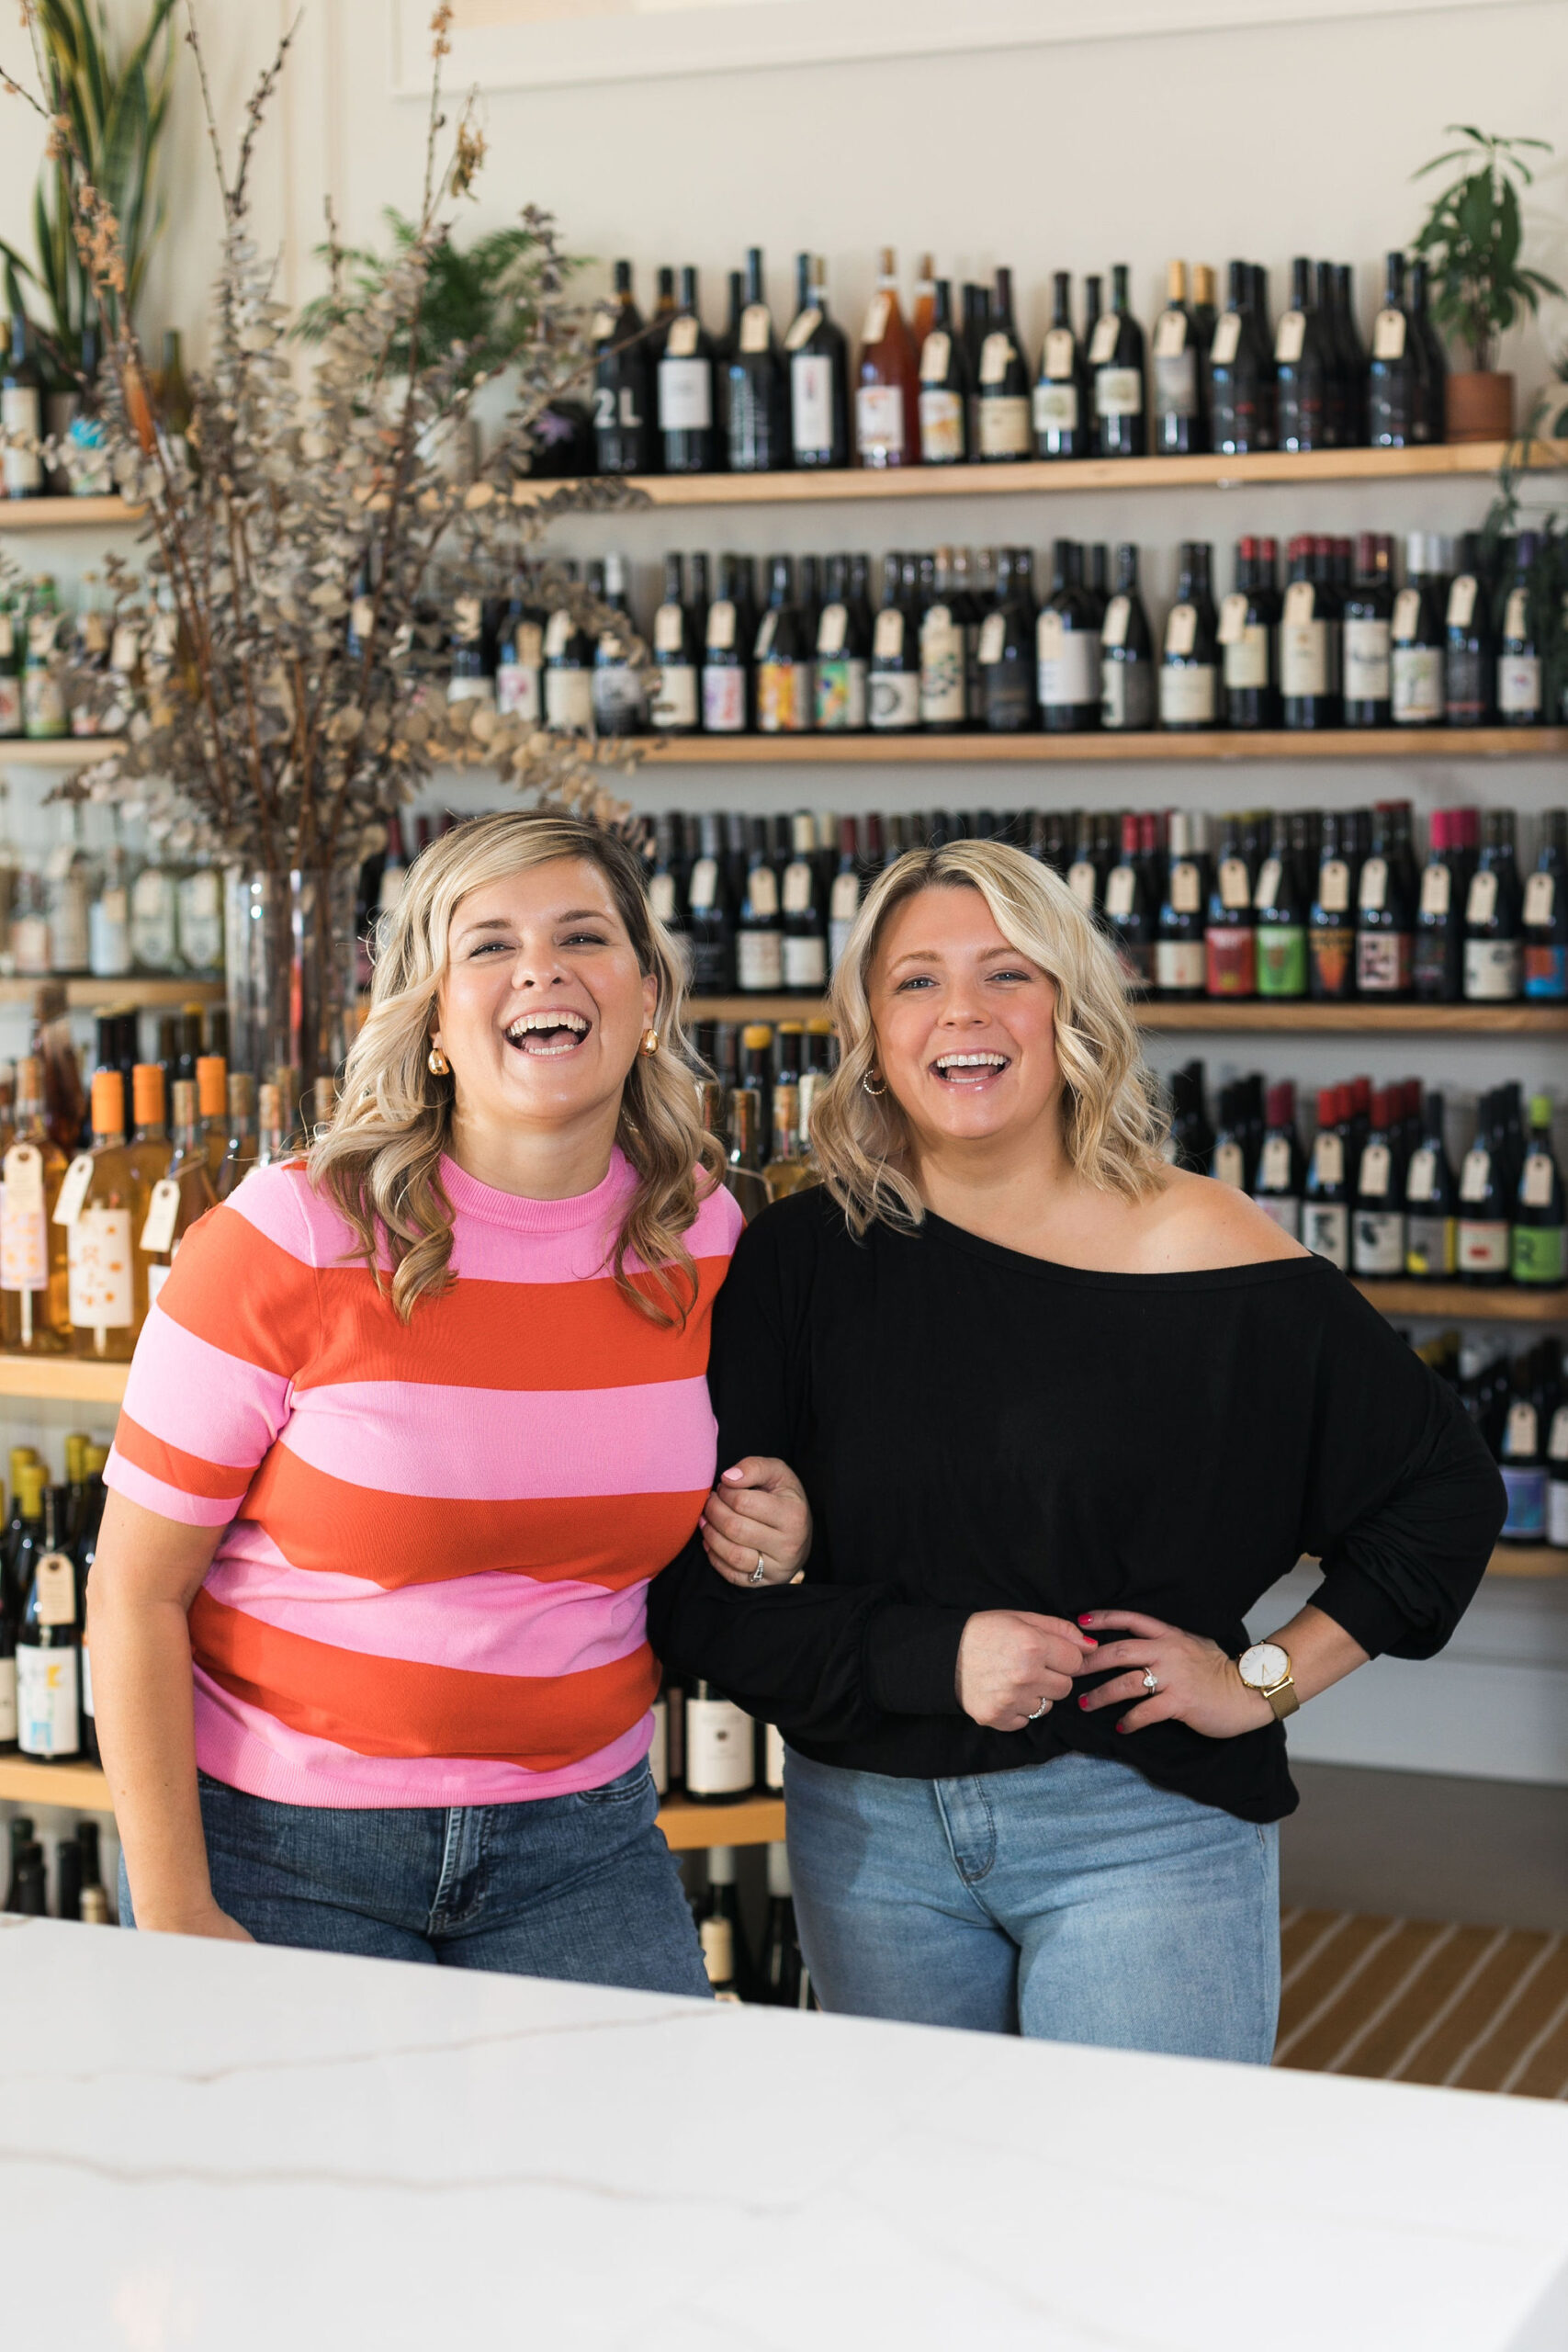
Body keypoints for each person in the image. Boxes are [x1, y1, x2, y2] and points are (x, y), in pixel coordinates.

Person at [649, 837, 1505, 2060]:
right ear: (868, 1028)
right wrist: (930, 1652)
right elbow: (697, 1601)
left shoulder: (1199, 1243)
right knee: (918, 2218)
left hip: (1140, 1827)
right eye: (914, 980)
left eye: (1006, 973)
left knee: (1136, 2229)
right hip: (866, 1836)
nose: (961, 1013)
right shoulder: (797, 1260)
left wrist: (1259, 1681)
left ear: (1070, 1004)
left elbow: (1437, 1489)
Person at [91, 808, 743, 1989]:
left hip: (581, 1843)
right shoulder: (288, 1237)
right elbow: (133, 1591)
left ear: (647, 997)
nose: (539, 967)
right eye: (487, 944)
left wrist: (777, 1504)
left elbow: (728, 1476)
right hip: (283, 1846)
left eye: (582, 935)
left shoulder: (703, 1231)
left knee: (646, 2167)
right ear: (433, 1018)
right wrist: (176, 1909)